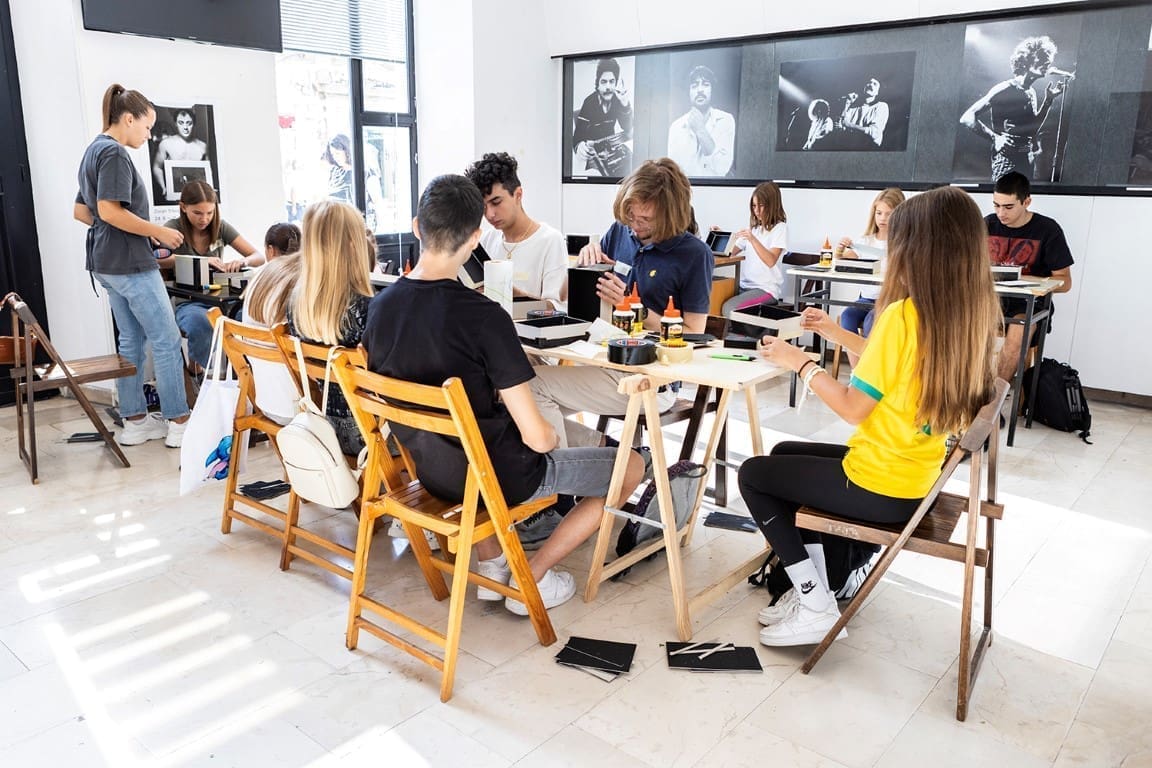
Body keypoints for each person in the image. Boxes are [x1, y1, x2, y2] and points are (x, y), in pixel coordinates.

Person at [360, 174, 646, 614]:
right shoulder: (484, 316)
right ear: (476, 237)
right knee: (631, 465)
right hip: (498, 477)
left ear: (417, 227)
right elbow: (537, 439)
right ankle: (535, 575)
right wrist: (553, 436)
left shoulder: (379, 307)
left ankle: (493, 566)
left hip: (431, 473)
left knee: (472, 441)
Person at [741, 185, 1001, 646]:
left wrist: (799, 362)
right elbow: (895, 364)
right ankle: (822, 586)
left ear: (916, 250)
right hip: (915, 479)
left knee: (755, 475)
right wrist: (836, 332)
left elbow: (852, 408)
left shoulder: (902, 315)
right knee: (783, 452)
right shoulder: (967, 317)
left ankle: (814, 602)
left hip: (877, 484)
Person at [535, 158, 713, 448]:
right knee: (516, 399)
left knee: (530, 388)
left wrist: (632, 307)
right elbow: (565, 294)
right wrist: (583, 262)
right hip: (601, 359)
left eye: (646, 220)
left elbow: (694, 331)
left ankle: (606, 461)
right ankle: (617, 458)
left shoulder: (694, 254)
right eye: (631, 216)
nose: (635, 226)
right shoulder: (620, 232)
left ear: (670, 215)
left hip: (653, 378)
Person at [73, 83, 190, 448]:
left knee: (131, 340)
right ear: (128, 119)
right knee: (167, 340)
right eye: (147, 126)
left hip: (105, 264)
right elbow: (109, 211)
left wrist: (130, 233)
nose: (149, 134)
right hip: (129, 266)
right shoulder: (114, 153)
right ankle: (179, 423)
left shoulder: (92, 150)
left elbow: (83, 212)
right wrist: (155, 231)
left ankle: (135, 421)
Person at [287, 200, 375, 456]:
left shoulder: (296, 305)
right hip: (370, 433)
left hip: (323, 428)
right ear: (353, 244)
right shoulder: (366, 308)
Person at [159, 181, 260, 372]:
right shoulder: (172, 228)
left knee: (249, 318)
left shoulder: (220, 227)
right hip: (189, 302)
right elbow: (158, 260)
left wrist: (242, 262)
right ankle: (212, 374)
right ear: (183, 207)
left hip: (222, 300)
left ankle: (243, 372)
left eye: (210, 213)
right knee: (201, 325)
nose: (204, 219)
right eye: (198, 213)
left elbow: (258, 257)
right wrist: (200, 261)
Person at [985, 171, 1073, 383]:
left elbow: (1065, 282)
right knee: (958, 322)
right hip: (991, 299)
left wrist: (1027, 280)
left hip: (1029, 303)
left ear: (1026, 202)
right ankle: (968, 392)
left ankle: (994, 399)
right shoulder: (987, 224)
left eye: (1008, 207)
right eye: (996, 205)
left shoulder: (1047, 230)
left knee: (1018, 331)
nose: (1001, 213)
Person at [464, 152, 568, 310]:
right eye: (483, 207)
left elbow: (558, 308)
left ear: (518, 195)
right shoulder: (486, 240)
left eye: (496, 202)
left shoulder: (550, 240)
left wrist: (517, 296)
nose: (490, 214)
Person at [960, 36, 1069, 180]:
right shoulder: (1005, 88)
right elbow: (967, 117)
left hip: (1027, 157)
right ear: (1026, 61)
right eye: (1042, 57)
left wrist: (1048, 100)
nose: (1047, 62)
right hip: (1007, 159)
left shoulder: (1031, 91)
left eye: (1048, 59)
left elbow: (1032, 129)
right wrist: (995, 138)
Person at [836, 187, 906, 368]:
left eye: (889, 214)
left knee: (870, 322)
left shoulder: (903, 242)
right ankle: (857, 371)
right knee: (847, 317)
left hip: (890, 300)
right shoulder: (865, 241)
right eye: (879, 213)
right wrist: (840, 249)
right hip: (866, 299)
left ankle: (871, 372)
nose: (883, 218)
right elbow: (842, 261)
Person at [242, 223, 303, 426]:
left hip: (266, 401)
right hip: (302, 411)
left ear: (270, 249)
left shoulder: (257, 277)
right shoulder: (301, 279)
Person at [721, 181, 788, 320]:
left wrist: (752, 239)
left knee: (729, 309)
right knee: (713, 297)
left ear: (772, 205)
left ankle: (746, 334)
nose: (757, 210)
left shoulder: (780, 229)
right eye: (754, 206)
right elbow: (730, 252)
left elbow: (770, 261)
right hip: (744, 286)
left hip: (766, 290)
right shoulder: (754, 229)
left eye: (761, 205)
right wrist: (721, 236)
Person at [667, 65, 735, 177]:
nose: (700, 90)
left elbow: (722, 169)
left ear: (712, 90)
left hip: (717, 187)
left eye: (706, 84)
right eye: (694, 86)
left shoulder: (725, 120)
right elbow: (674, 174)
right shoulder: (676, 127)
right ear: (689, 92)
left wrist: (700, 129)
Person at [572, 58, 633, 177]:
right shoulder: (589, 102)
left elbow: (627, 128)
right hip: (593, 152)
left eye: (612, 82)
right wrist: (579, 146)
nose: (608, 87)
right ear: (598, 84)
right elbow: (578, 136)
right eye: (604, 82)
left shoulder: (617, 99)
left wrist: (624, 103)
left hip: (611, 149)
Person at [152, 108, 208, 202]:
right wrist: (163, 188)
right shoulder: (166, 144)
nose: (185, 127)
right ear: (175, 123)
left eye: (189, 123)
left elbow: (206, 173)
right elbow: (157, 167)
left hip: (196, 197)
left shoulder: (203, 146)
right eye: (181, 123)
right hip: (174, 197)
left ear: (194, 124)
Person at [837, 77, 889, 148]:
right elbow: (840, 126)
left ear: (878, 92)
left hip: (869, 147)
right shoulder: (854, 106)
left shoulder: (881, 106)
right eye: (869, 82)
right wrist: (848, 103)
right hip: (849, 145)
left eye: (875, 84)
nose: (870, 85)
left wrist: (848, 125)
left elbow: (873, 133)